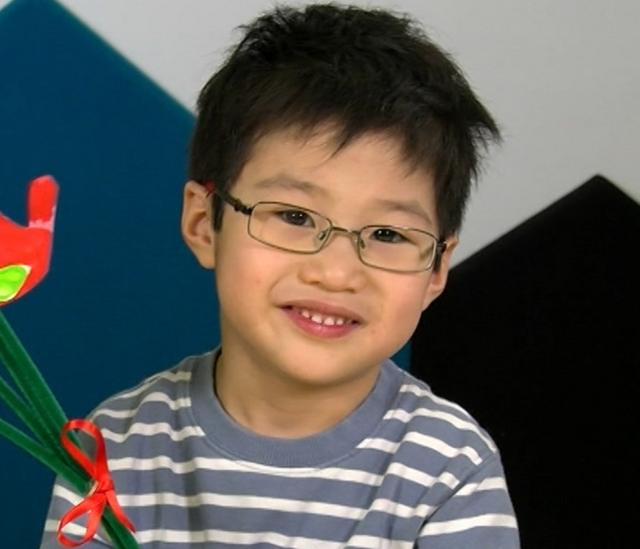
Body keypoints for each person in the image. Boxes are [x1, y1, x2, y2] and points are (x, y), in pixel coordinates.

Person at [40, 3, 519, 547]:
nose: (337, 272)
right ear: (204, 223)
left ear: (436, 269)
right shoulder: (115, 447)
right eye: (294, 217)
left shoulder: (449, 469)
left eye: (388, 234)